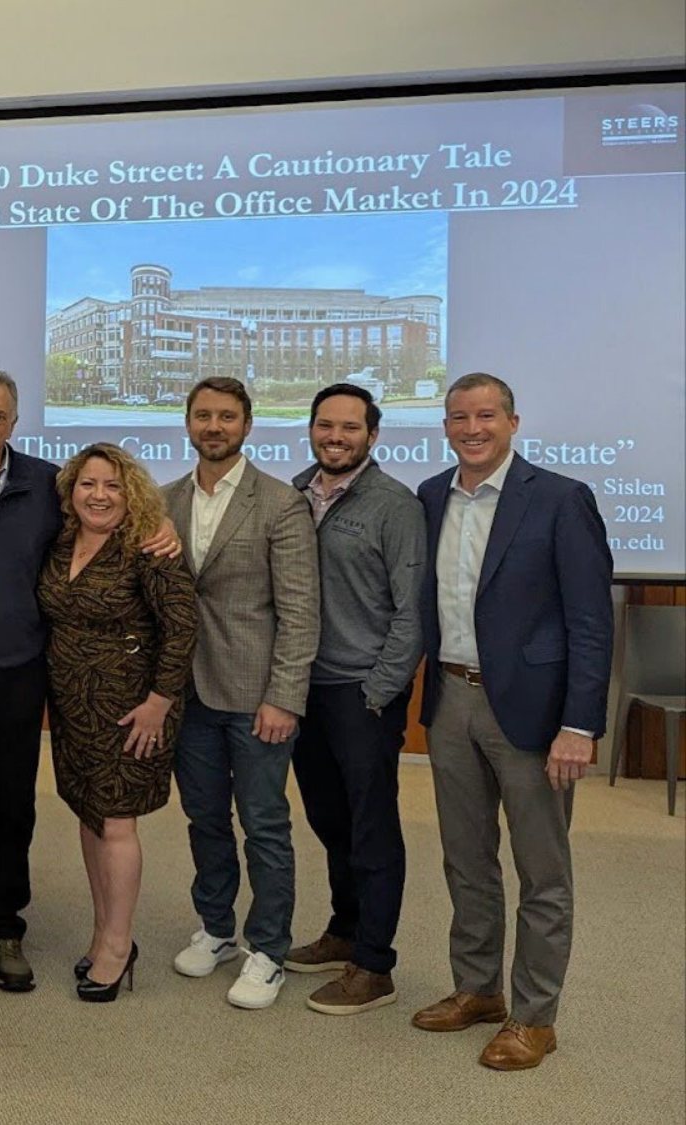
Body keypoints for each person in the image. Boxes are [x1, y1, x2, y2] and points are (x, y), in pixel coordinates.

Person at [0, 367, 177, 991]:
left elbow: (111, 523)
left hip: (24, 674)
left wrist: (166, 525)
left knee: (16, 805)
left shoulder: (48, 485)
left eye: (1, 416)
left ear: (14, 423)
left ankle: (5, 925)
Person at [409, 372, 612, 1071]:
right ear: (445, 426)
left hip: (534, 712)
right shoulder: (431, 496)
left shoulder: (560, 499)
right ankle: (477, 989)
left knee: (542, 871)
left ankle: (534, 1016)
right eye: (459, 416)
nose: (473, 427)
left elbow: (591, 622)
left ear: (513, 421)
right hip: (450, 701)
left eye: (486, 415)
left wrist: (580, 724)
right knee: (466, 860)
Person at [161, 376, 319, 1010]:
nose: (214, 427)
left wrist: (285, 696)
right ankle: (218, 928)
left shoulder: (280, 503)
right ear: (189, 424)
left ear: (248, 426)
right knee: (203, 819)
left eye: (227, 416)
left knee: (264, 825)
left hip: (258, 698)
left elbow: (301, 612)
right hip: (186, 695)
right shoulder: (163, 500)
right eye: (203, 416)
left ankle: (269, 950)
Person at [284, 384, 425, 1016]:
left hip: (361, 693)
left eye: (349, 427)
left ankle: (374, 965)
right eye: (324, 425)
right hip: (300, 689)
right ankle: (344, 929)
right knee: (327, 817)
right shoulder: (295, 492)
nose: (334, 436)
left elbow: (412, 610)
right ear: (311, 430)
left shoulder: (394, 505)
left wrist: (378, 692)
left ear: (373, 434)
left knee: (371, 828)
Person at [37, 443, 196, 1003]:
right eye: (88, 485)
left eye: (112, 486)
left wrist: (159, 702)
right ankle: (102, 931)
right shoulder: (60, 542)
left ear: (131, 494)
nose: (99, 495)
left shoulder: (150, 548)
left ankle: (120, 945)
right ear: (71, 491)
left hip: (131, 712)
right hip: (72, 709)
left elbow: (181, 628)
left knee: (118, 824)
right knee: (90, 815)